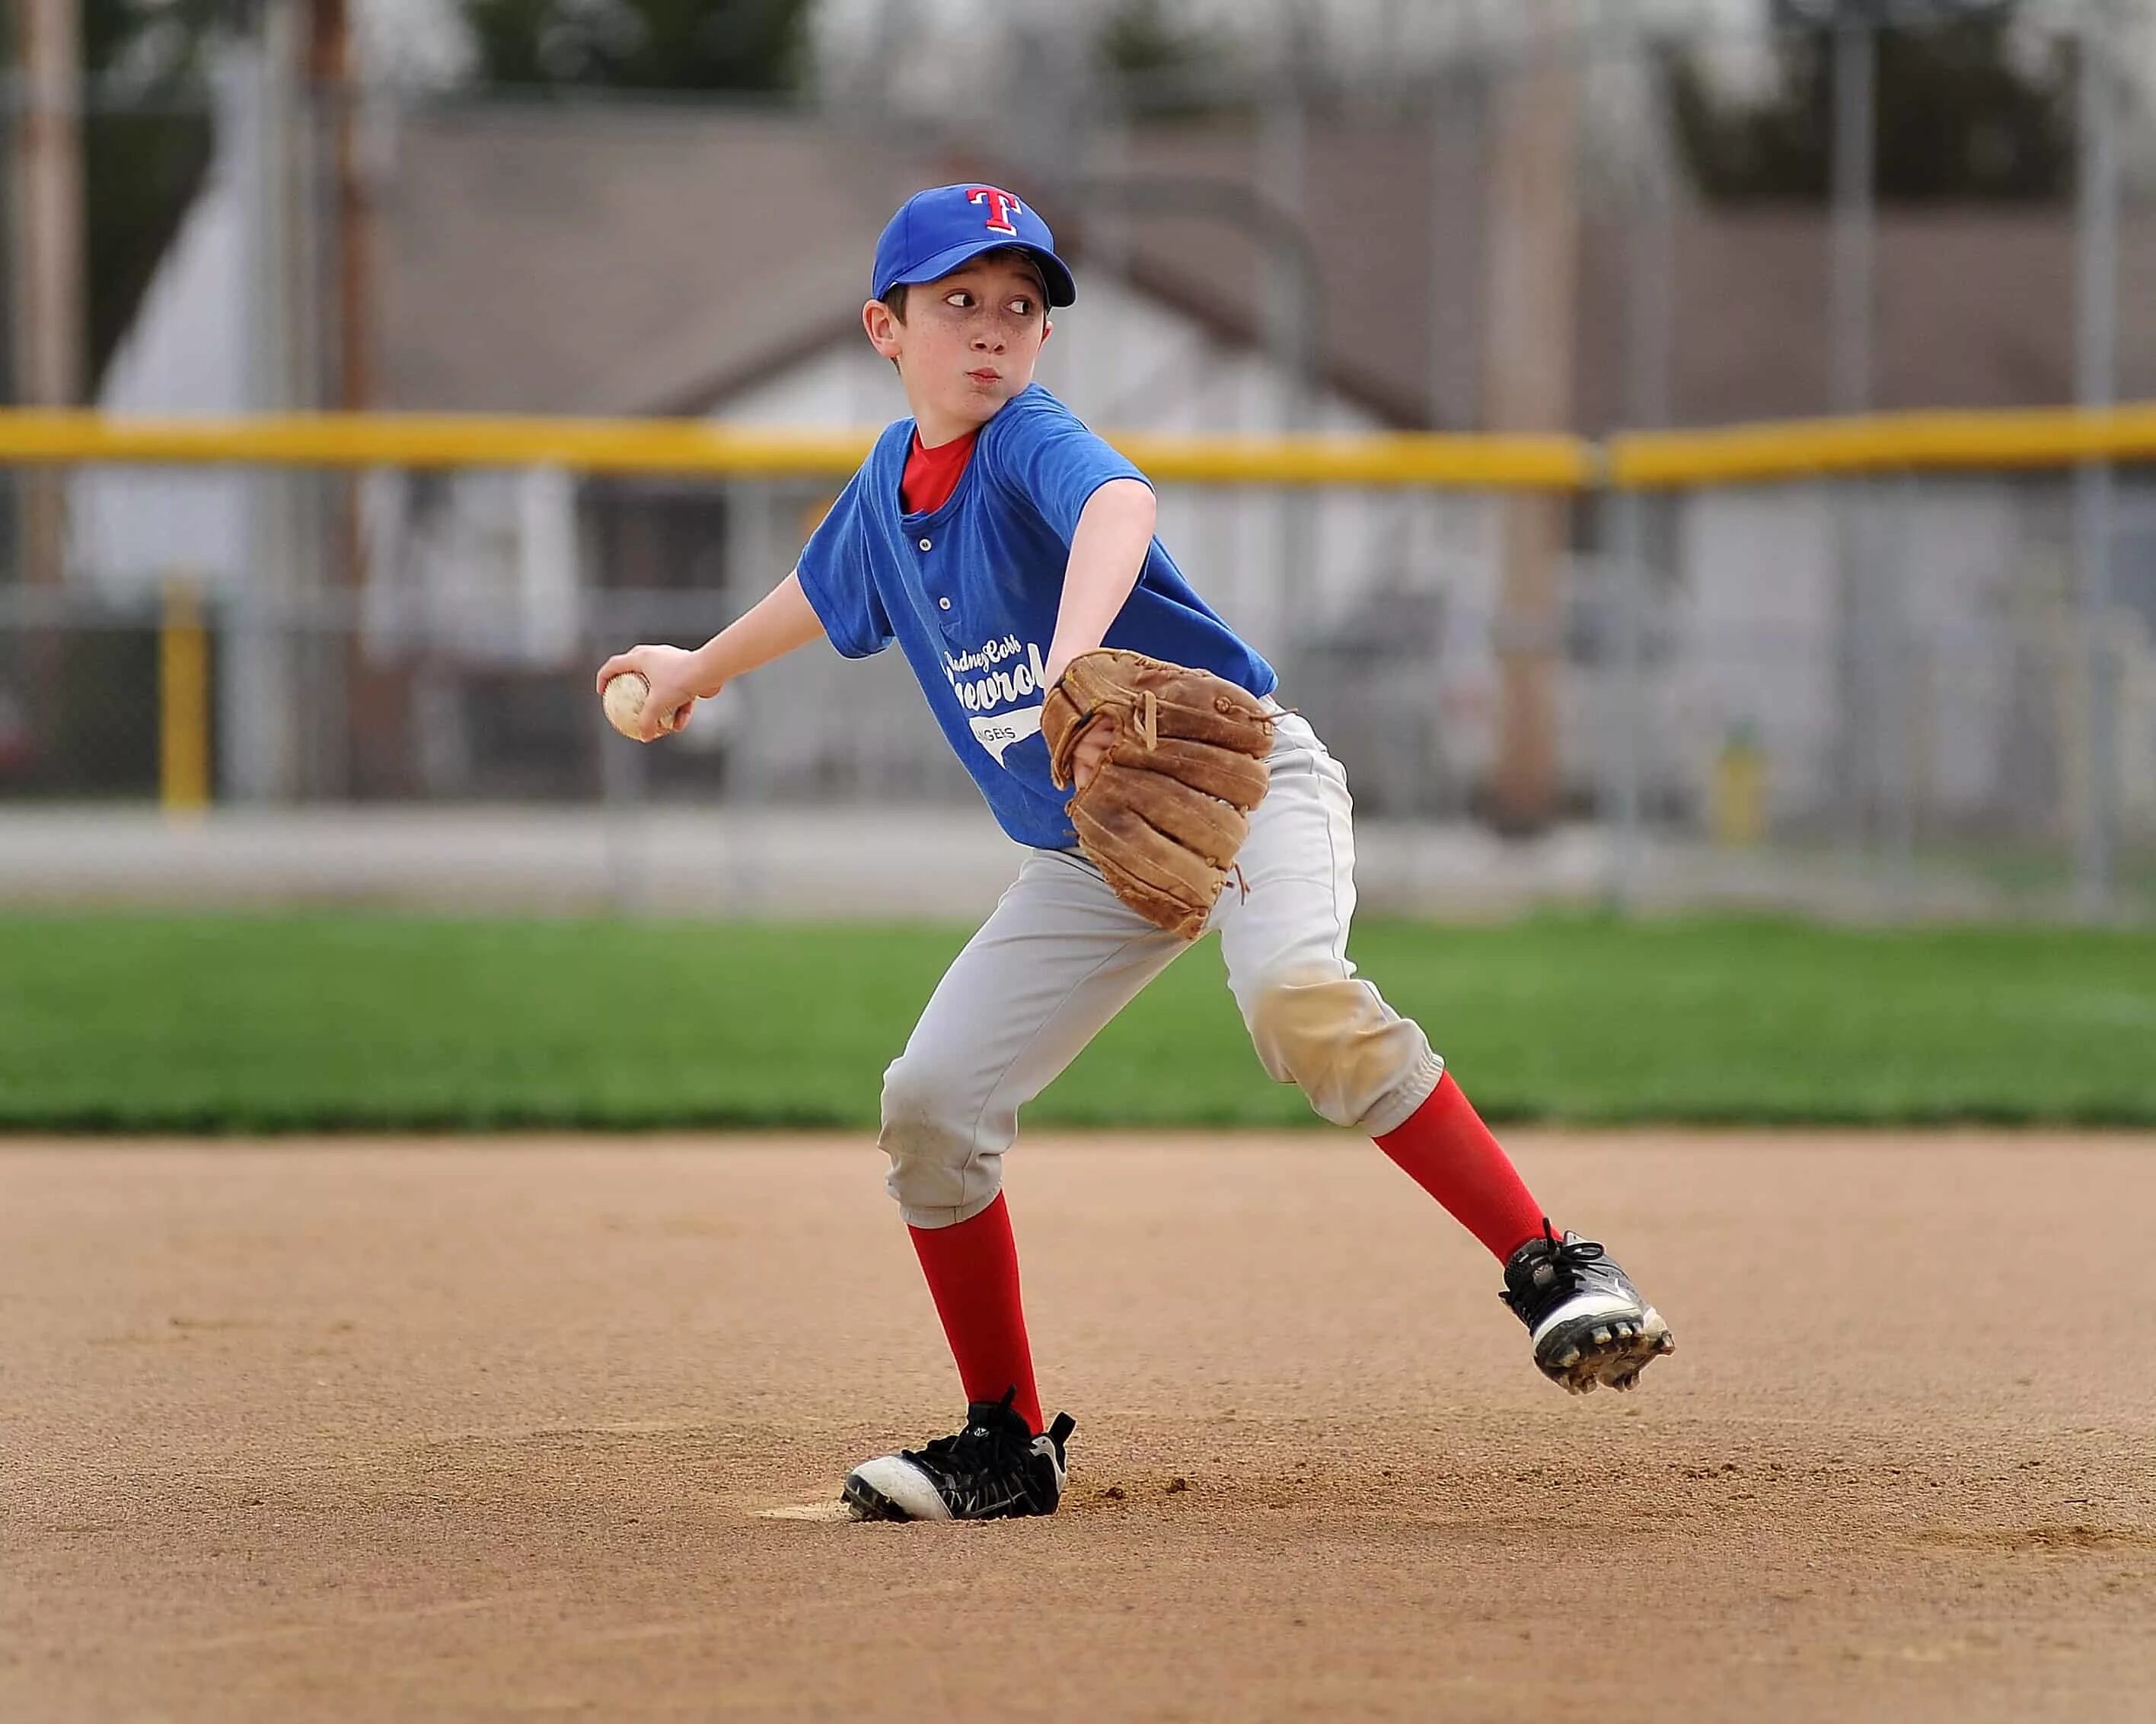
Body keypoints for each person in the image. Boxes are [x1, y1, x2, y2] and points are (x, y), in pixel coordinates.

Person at [596, 183, 1673, 1525]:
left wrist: (1070, 658)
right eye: (959, 303)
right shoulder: (885, 489)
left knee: (1293, 998)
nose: (994, 331)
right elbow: (820, 593)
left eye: (1022, 307)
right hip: (1089, 847)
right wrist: (694, 667)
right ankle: (1004, 1441)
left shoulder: (1031, 440)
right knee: (929, 1101)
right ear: (887, 327)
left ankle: (1556, 1266)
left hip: (1243, 782)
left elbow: (1118, 503)